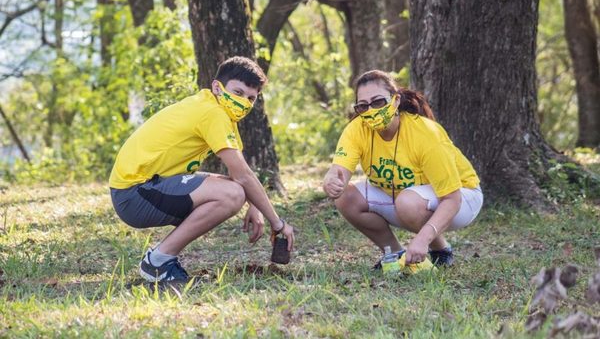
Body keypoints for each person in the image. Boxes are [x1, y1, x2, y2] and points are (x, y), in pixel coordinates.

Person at [109, 56, 294, 283]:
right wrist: (278, 223)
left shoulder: (215, 110)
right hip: (133, 195)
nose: (244, 102)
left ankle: (161, 258)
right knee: (232, 194)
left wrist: (254, 205)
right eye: (238, 92)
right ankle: (157, 261)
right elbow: (243, 176)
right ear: (217, 87)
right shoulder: (212, 113)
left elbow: (241, 171)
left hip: (140, 189)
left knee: (234, 188)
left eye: (251, 98)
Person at [322, 70, 482, 269]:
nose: (371, 110)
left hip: (462, 196)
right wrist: (331, 181)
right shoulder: (357, 129)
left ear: (396, 100)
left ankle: (439, 250)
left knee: (408, 202)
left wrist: (423, 239)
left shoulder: (425, 133)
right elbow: (339, 172)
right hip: (405, 195)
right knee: (346, 197)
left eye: (378, 102)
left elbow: (452, 198)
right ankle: (394, 254)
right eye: (363, 106)